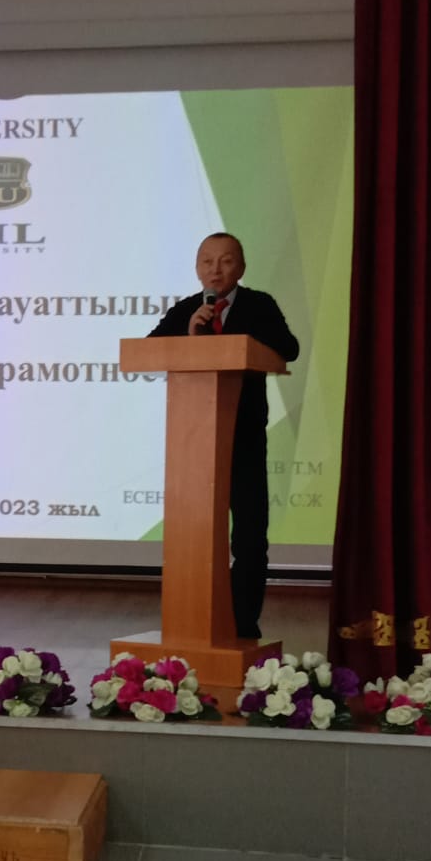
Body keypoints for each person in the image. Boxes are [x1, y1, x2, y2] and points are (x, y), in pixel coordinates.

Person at [148, 232, 300, 640]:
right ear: (197, 268)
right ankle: (192, 620)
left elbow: (289, 348)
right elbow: (150, 350)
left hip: (243, 436)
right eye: (207, 261)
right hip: (193, 445)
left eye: (226, 260)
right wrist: (189, 336)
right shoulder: (186, 310)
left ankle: (242, 622)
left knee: (249, 534)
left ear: (241, 267)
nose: (215, 269)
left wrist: (238, 344)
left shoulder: (259, 305)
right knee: (194, 537)